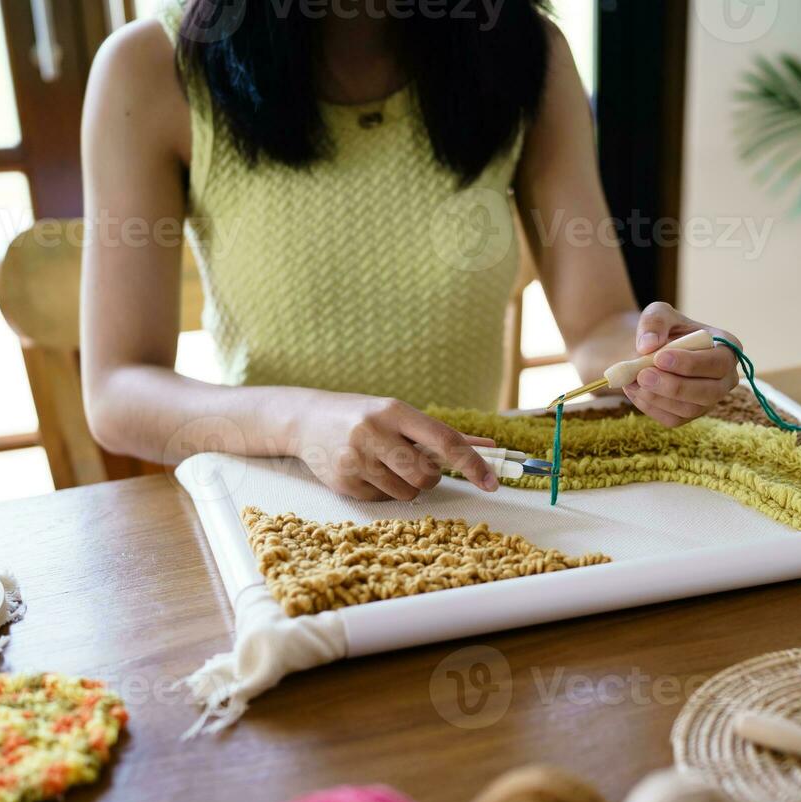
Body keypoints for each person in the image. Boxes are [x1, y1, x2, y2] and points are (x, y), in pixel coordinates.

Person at [81, 0, 740, 502]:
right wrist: (299, 421)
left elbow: (599, 325)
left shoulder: (526, 52)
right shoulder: (150, 71)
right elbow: (116, 392)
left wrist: (660, 362)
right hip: (279, 504)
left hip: (474, 500)